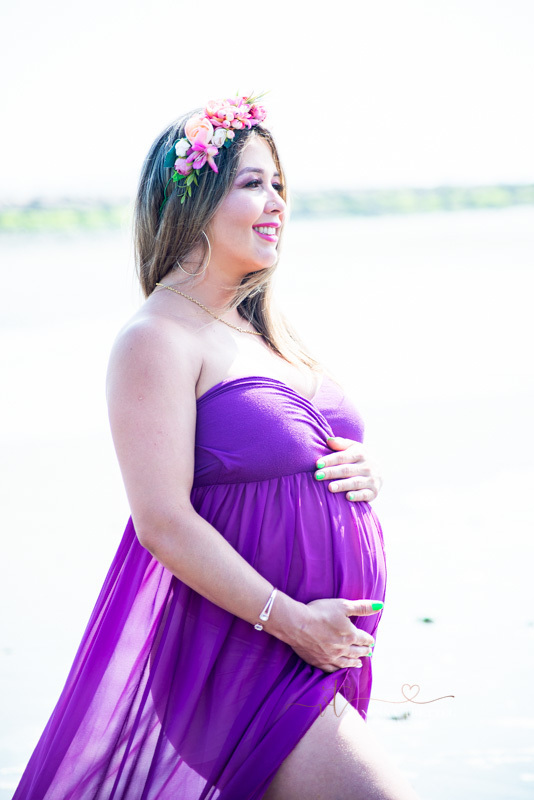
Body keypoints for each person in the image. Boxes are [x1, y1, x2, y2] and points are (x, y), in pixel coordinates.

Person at [14, 95, 419, 799]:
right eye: (253, 183)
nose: (277, 203)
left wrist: (363, 472)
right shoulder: (157, 339)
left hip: (315, 648)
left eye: (281, 186)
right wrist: (294, 624)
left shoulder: (264, 331)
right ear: (192, 198)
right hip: (233, 654)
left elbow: (294, 452)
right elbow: (162, 521)